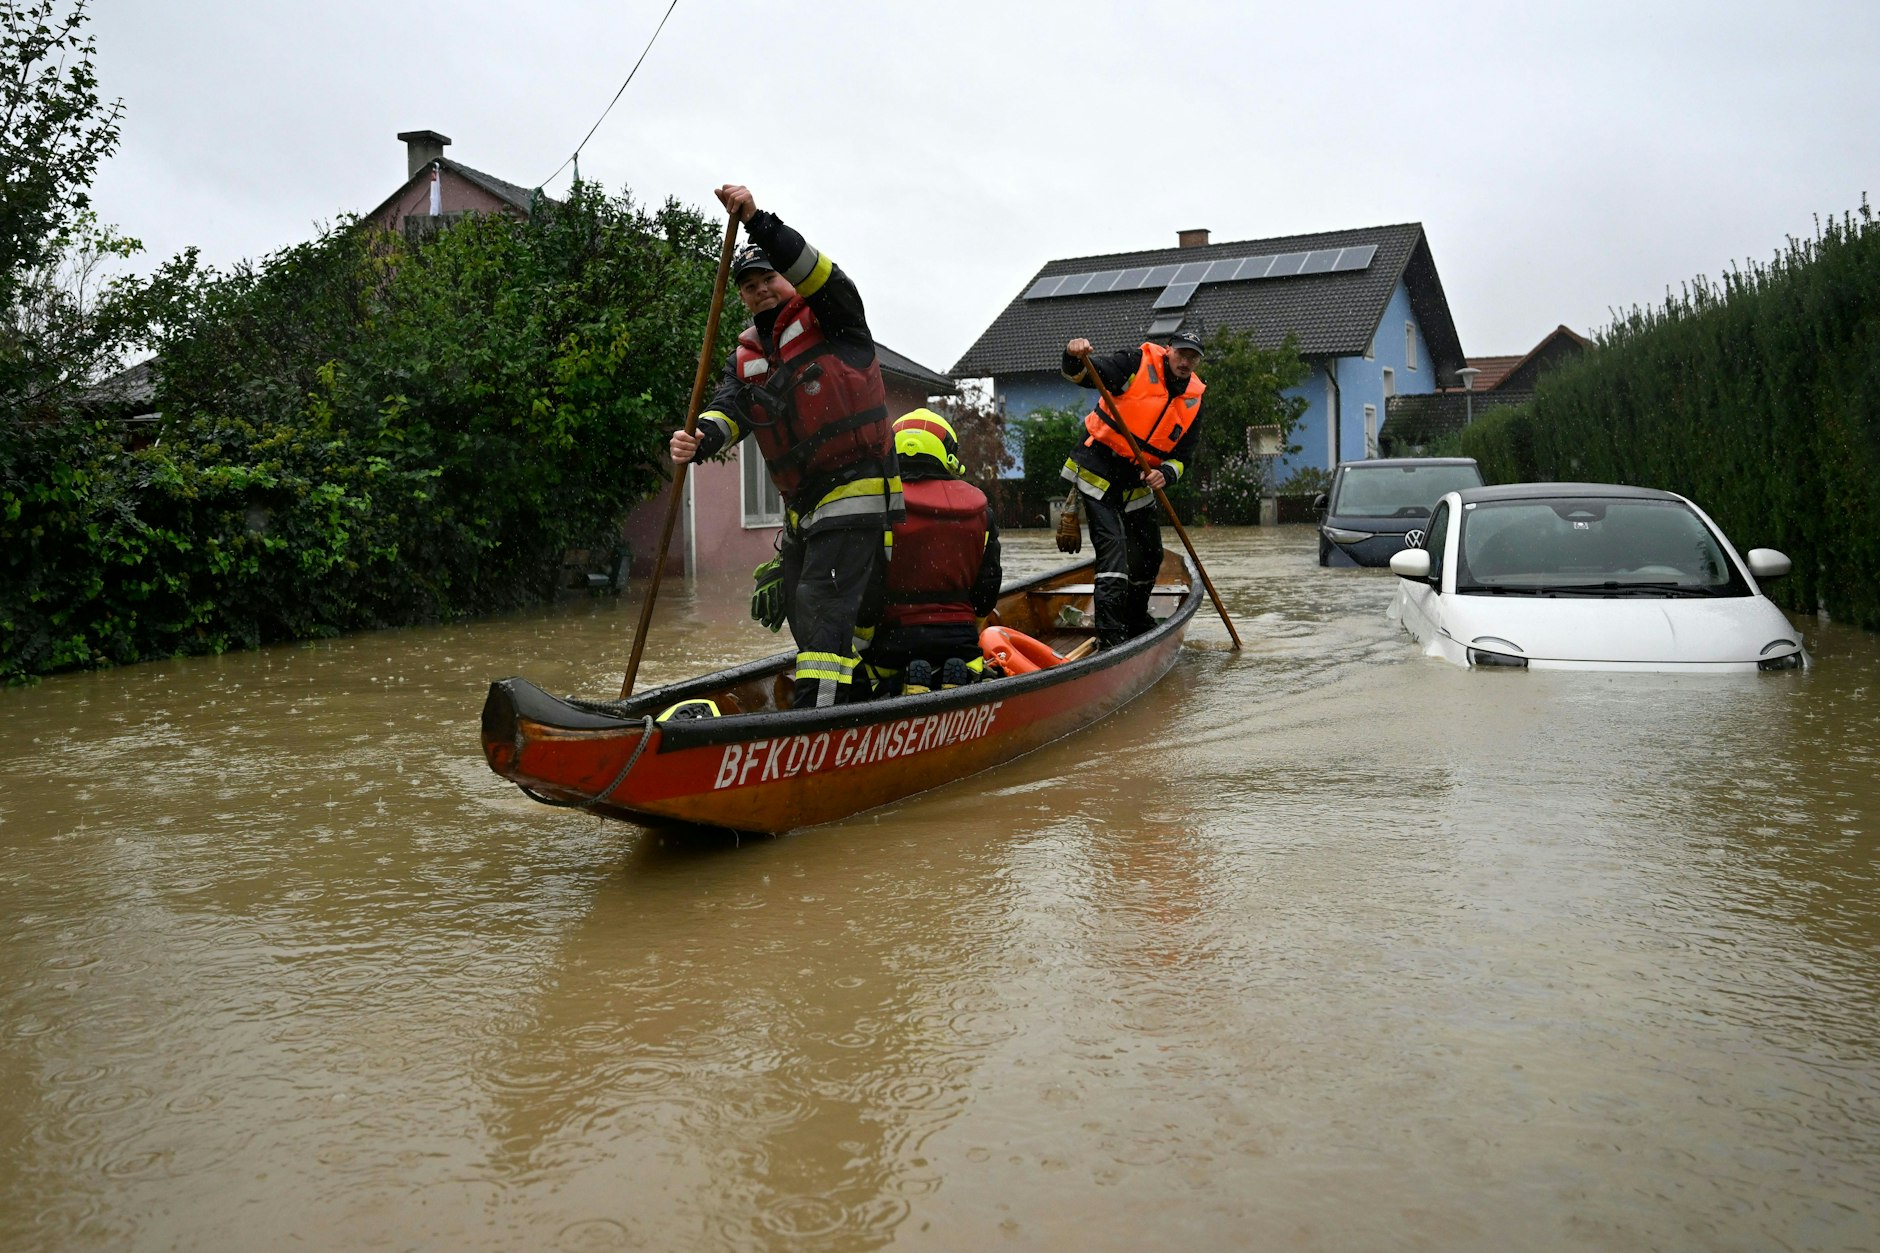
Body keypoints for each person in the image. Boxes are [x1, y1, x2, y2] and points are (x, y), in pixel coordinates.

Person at [669, 185, 901, 708]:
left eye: (768, 278)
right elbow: (730, 410)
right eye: (748, 285)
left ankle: (814, 725)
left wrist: (757, 222)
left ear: (789, 280)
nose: (759, 291)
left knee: (821, 603)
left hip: (856, 489)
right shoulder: (745, 356)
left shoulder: (837, 319)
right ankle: (855, 695)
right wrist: (698, 439)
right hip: (802, 508)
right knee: (805, 608)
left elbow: (820, 273)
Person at [1059, 328, 1205, 649]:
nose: (1186, 361)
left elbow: (1183, 457)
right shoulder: (1135, 363)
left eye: (1193, 357)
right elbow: (1084, 375)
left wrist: (1166, 472)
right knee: (1115, 553)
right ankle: (1110, 637)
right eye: (1181, 353)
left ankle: (1135, 617)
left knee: (1150, 554)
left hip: (1137, 478)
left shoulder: (1194, 399)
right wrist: (1073, 354)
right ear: (1168, 350)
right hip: (1098, 467)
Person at [867, 409, 1002, 696]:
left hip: (895, 641)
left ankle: (900, 684)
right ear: (947, 453)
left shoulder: (877, 507)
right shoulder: (981, 512)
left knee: (875, 677)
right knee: (971, 666)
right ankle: (955, 675)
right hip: (960, 639)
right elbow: (986, 594)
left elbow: (867, 590)